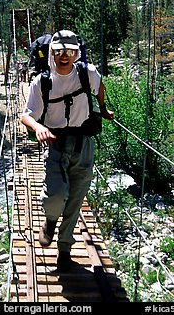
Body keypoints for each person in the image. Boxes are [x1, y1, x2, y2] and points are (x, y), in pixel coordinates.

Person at [21, 30, 114, 272]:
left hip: (83, 142)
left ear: (77, 53)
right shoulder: (41, 82)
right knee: (55, 195)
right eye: (59, 51)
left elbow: (99, 86)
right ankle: (50, 220)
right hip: (55, 143)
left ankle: (64, 250)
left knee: (75, 201)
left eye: (70, 52)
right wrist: (38, 126)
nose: (65, 56)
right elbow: (25, 115)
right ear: (51, 53)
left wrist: (102, 108)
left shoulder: (87, 73)